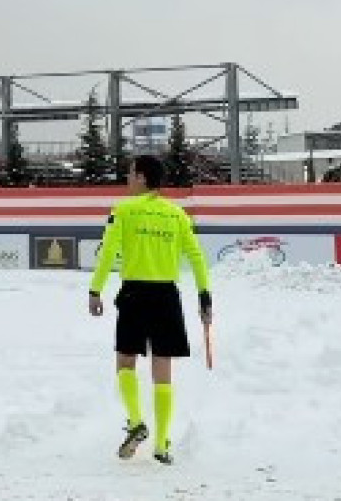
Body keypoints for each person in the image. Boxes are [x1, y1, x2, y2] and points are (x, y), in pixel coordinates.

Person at [88, 155, 213, 465]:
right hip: (167, 297)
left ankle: (135, 421)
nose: (127, 179)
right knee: (163, 370)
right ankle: (160, 444)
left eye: (130, 174)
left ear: (142, 177)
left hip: (134, 295)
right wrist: (204, 297)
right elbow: (197, 258)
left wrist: (95, 289)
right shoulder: (177, 215)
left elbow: (107, 255)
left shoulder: (124, 211)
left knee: (125, 362)